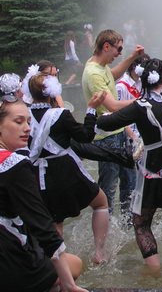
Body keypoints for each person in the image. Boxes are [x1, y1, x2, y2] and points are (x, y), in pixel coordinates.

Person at [97, 58, 162, 268]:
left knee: (140, 223)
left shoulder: (139, 106)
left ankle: (155, 274)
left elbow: (108, 123)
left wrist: (92, 112)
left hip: (151, 168)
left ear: (141, 79)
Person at [0, 90, 86, 292]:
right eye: (19, 122)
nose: (27, 128)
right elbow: (41, 224)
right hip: (9, 260)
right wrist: (68, 283)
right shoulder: (14, 165)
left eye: (28, 122)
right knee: (74, 265)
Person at [27, 72, 110, 265]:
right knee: (101, 202)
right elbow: (85, 136)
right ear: (51, 92)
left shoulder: (23, 115)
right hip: (64, 170)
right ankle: (99, 253)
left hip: (36, 174)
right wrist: (91, 110)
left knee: (55, 221)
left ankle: (56, 265)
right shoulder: (60, 114)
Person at [81, 29, 145, 217]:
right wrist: (143, 100)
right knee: (108, 188)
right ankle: (105, 228)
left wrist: (132, 57)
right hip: (106, 137)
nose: (119, 54)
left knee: (130, 183)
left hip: (118, 133)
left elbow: (113, 74)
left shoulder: (100, 67)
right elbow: (113, 106)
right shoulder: (93, 73)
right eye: (118, 49)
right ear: (106, 46)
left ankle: (128, 223)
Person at [114, 53, 150, 225]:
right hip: (129, 138)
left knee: (142, 178)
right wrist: (134, 138)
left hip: (142, 136)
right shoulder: (122, 86)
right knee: (129, 180)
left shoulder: (140, 84)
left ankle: (140, 213)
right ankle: (127, 218)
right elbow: (119, 116)